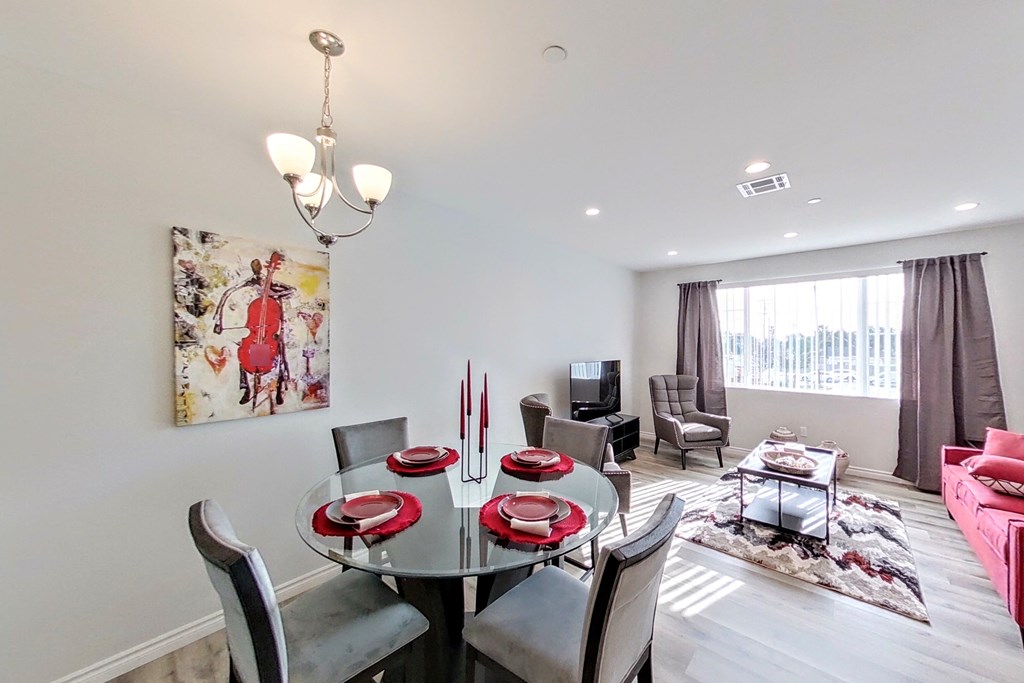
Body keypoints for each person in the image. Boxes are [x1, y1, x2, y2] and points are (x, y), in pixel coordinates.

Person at [212, 253, 296, 406]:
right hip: (255, 331)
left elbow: (290, 291)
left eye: (259, 269)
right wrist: (218, 321)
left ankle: (279, 388)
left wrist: (270, 292)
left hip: (271, 332)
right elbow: (227, 294)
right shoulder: (249, 283)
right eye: (255, 269)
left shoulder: (270, 283)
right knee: (243, 357)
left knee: (281, 354)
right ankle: (246, 388)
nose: (257, 273)